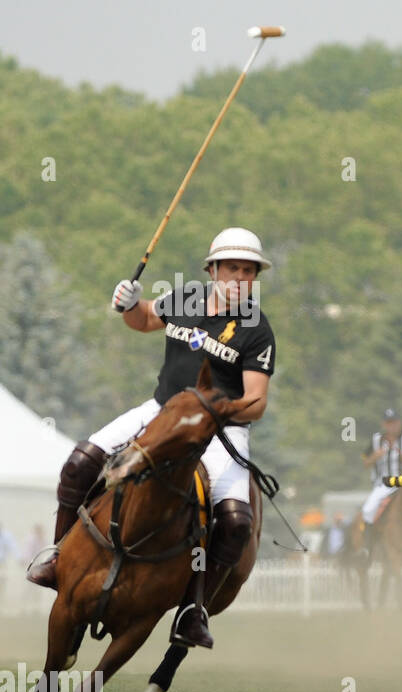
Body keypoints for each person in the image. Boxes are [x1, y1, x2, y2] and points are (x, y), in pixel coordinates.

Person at [26, 227, 277, 650]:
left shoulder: (256, 329)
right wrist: (127, 303)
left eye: (249, 271)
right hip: (161, 411)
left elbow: (256, 400)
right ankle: (57, 556)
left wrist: (221, 412)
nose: (240, 277)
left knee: (235, 521)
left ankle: (193, 609)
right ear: (212, 269)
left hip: (221, 430)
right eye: (232, 267)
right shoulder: (184, 297)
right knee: (79, 463)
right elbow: (143, 319)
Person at [358, 409, 402, 555]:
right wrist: (375, 456)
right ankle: (366, 546)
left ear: (399, 422)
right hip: (383, 484)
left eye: (394, 422)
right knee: (368, 509)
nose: (392, 426)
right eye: (389, 423)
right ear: (384, 424)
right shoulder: (376, 440)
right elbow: (365, 462)